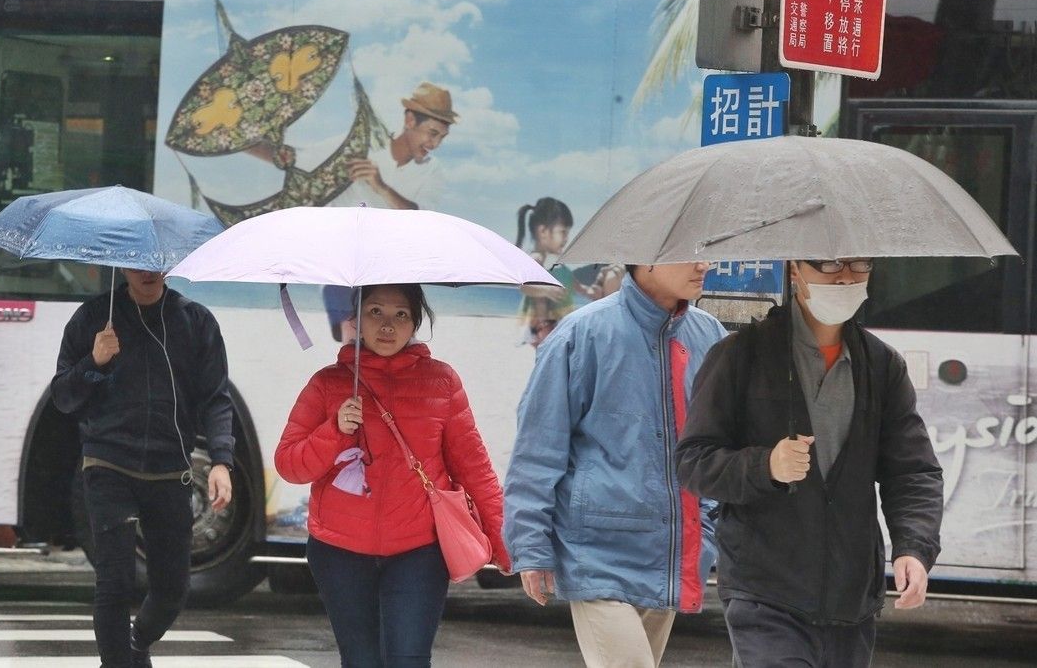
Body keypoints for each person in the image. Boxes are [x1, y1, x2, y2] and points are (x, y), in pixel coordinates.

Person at [675, 258, 944, 668]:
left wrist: (913, 548)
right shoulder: (739, 355)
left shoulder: (882, 365)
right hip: (764, 593)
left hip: (851, 599)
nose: (846, 276)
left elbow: (912, 471)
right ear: (795, 270)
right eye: (830, 263)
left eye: (859, 264)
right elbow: (694, 462)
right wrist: (766, 466)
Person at [503, 262, 726, 668]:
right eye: (686, 252)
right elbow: (537, 449)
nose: (703, 264)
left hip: (673, 549)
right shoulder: (580, 334)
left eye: (703, 251)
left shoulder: (709, 335)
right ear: (647, 258)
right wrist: (531, 547)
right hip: (597, 553)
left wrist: (708, 528)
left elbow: (720, 444)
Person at [275, 283, 511, 666]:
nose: (387, 325)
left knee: (408, 659)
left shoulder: (442, 382)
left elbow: (475, 469)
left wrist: (503, 545)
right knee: (362, 661)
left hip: (418, 550)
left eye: (400, 314)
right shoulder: (328, 384)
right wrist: (334, 431)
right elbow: (289, 464)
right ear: (357, 320)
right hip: (339, 552)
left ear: (416, 321)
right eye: (375, 312)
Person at [52, 268, 234, 668]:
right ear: (121, 265)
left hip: (171, 472)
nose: (147, 273)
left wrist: (221, 460)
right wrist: (94, 362)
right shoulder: (93, 317)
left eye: (155, 263)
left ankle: (136, 645)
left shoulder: (196, 321)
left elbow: (216, 398)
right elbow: (63, 398)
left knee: (172, 590)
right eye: (137, 263)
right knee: (114, 582)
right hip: (108, 465)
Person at [325, 82, 457, 343]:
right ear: (409, 120)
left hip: (396, 276)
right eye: (431, 133)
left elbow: (422, 219)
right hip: (346, 271)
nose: (435, 143)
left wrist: (382, 187)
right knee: (352, 351)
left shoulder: (433, 171)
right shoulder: (365, 149)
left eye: (441, 137)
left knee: (395, 350)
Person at [514, 197, 577, 347]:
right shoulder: (536, 257)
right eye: (563, 232)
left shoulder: (545, 260)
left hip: (541, 325)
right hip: (539, 326)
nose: (566, 238)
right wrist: (547, 290)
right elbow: (524, 286)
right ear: (543, 231)